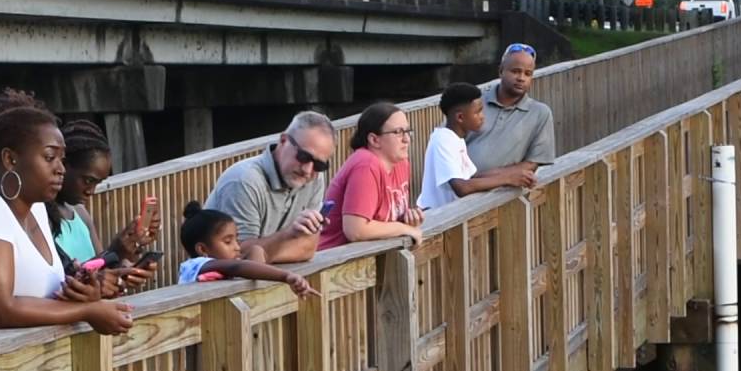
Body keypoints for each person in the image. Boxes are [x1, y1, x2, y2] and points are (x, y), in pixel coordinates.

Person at [0, 105, 133, 336]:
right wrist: (89, 311)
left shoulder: (38, 209)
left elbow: (42, 299)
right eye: (50, 157)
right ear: (10, 159)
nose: (60, 169)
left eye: (62, 159)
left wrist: (84, 292)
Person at [45, 119, 159, 296]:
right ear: (63, 165)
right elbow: (66, 279)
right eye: (88, 180)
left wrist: (123, 270)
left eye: (97, 183)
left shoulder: (80, 214)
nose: (91, 191)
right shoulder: (41, 214)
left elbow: (99, 266)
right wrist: (116, 251)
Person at [204, 110, 335, 263]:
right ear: (283, 140)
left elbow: (308, 249)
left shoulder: (314, 178)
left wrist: (262, 254)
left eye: (319, 164)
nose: (307, 170)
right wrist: (289, 235)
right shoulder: (244, 180)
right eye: (303, 156)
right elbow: (239, 256)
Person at [318, 102, 424, 249]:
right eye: (398, 132)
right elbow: (355, 230)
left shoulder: (401, 163)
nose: (407, 139)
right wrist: (404, 229)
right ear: (374, 140)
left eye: (408, 131)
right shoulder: (365, 166)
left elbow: (384, 218)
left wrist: (408, 220)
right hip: (332, 259)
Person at [417, 82, 538, 210]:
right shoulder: (443, 140)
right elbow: (462, 187)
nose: (482, 117)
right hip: (434, 218)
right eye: (477, 112)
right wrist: (508, 179)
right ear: (460, 117)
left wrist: (517, 174)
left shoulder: (456, 139)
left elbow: (474, 177)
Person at [178, 202, 317, 297]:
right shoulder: (196, 265)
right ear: (202, 249)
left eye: (236, 239)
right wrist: (286, 276)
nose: (237, 247)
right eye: (228, 241)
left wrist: (255, 250)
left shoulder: (220, 266)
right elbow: (238, 267)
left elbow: (253, 268)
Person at [465, 43, 557, 174]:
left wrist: (486, 178)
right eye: (515, 71)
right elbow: (448, 142)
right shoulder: (474, 101)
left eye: (528, 74)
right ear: (501, 71)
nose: (521, 78)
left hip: (505, 192)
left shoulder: (540, 113)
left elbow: (532, 163)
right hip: (459, 189)